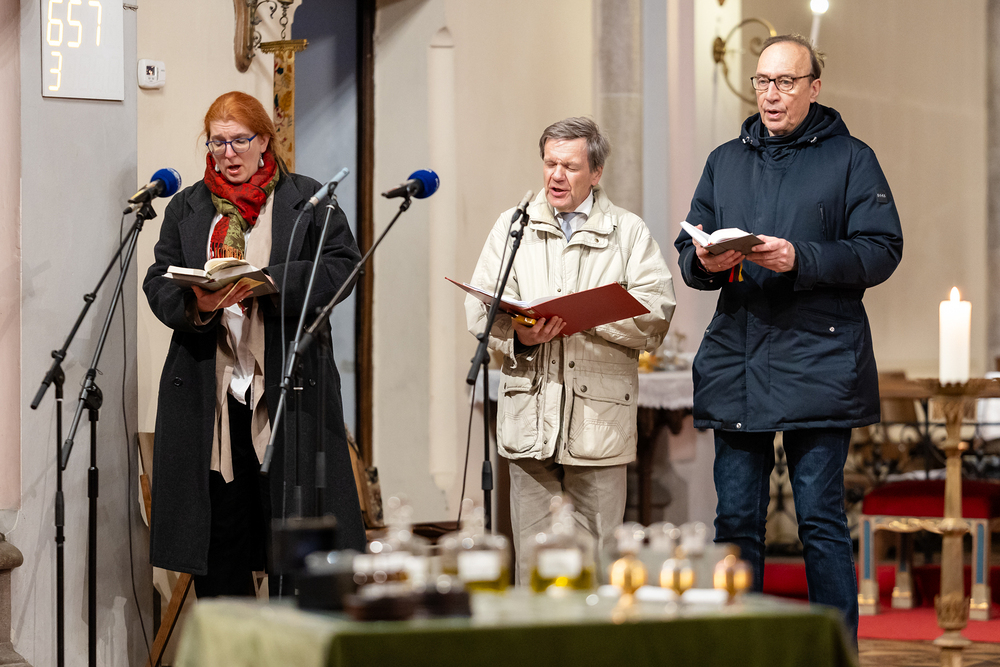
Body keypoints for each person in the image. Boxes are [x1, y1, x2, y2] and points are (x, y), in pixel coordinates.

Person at [675, 34, 903, 643]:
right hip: (739, 358)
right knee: (734, 522)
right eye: (762, 81)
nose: (771, 94)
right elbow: (690, 251)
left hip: (819, 358)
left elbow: (882, 250)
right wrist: (707, 262)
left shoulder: (851, 158)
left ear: (814, 87)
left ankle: (837, 651)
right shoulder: (725, 160)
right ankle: (741, 648)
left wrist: (800, 257)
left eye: (785, 82)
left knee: (821, 522)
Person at [144, 91, 366, 597]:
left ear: (264, 140)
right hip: (213, 397)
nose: (228, 153)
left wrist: (270, 281)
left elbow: (343, 268)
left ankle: (292, 635)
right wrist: (199, 302)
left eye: (239, 140)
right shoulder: (188, 206)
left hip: (289, 391)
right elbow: (158, 280)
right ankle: (232, 636)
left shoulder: (308, 199)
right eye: (217, 142)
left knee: (293, 539)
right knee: (220, 540)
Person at [466, 117, 675, 581]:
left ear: (596, 172)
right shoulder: (514, 225)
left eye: (570, 166)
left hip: (597, 422)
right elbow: (480, 307)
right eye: (550, 164)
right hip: (529, 421)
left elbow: (657, 312)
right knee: (533, 567)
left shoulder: (627, 231)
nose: (556, 176)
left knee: (595, 565)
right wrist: (520, 335)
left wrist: (593, 316)